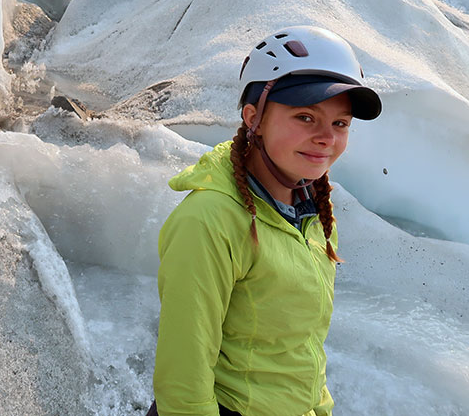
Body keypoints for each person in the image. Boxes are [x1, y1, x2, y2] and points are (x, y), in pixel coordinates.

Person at [148, 26, 382, 416]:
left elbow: (300, 346)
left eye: (340, 124)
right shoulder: (210, 220)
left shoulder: (311, 210)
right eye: (306, 117)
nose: (327, 137)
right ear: (253, 117)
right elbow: (183, 377)